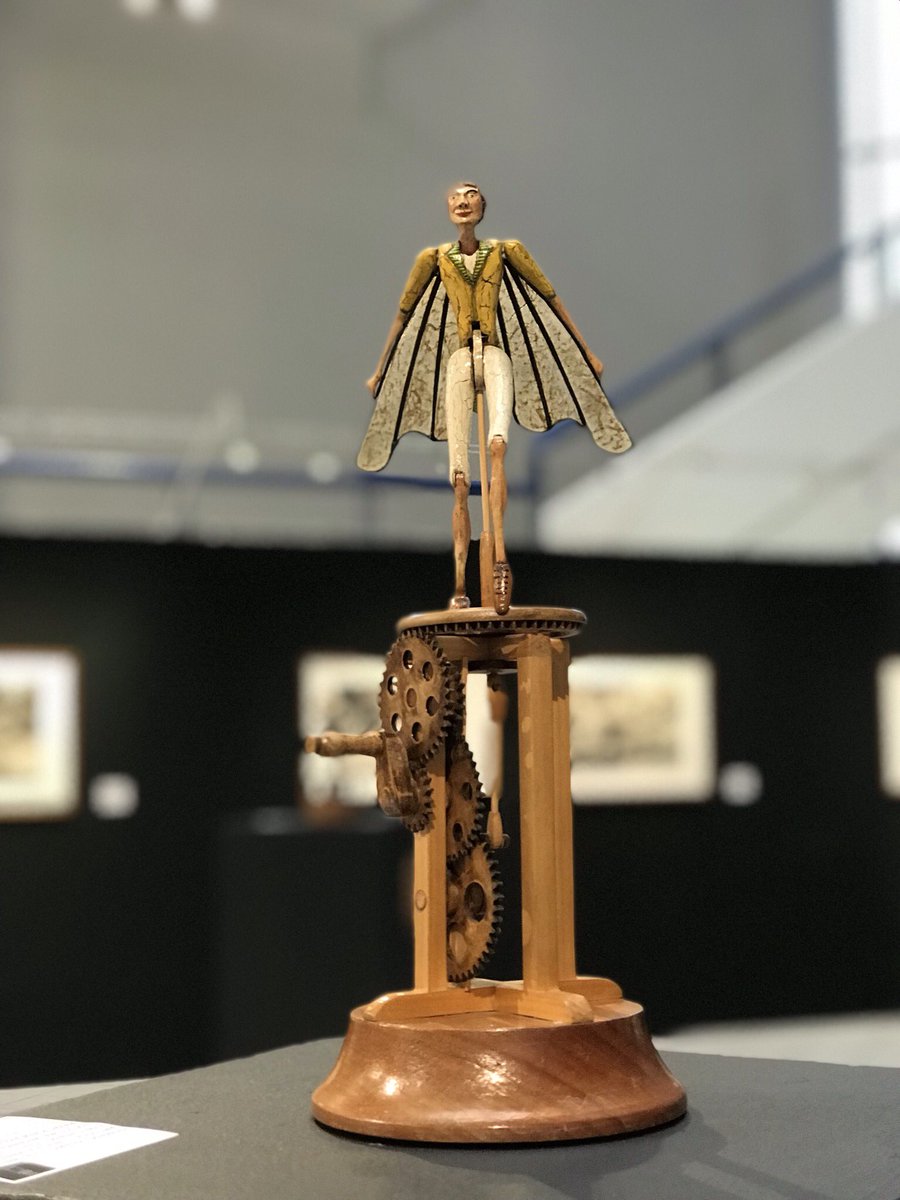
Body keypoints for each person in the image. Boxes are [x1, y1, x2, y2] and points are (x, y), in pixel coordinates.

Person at [358, 182, 631, 612]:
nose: (462, 202)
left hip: (494, 354)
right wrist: (382, 368)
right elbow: (404, 314)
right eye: (455, 197)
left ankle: (500, 560)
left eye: (471, 195)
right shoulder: (434, 259)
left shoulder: (506, 251)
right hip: (459, 361)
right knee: (460, 479)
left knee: (498, 447)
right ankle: (460, 584)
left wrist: (584, 352)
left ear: (482, 206)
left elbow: (550, 298)